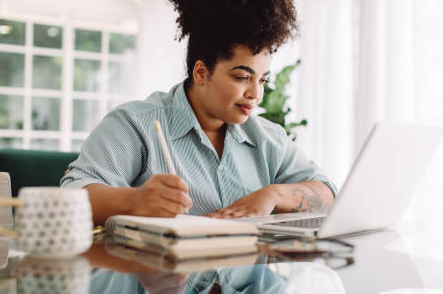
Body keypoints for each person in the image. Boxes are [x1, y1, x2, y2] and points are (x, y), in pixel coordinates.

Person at [61, 0, 337, 225]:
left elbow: (328, 194)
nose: (256, 93)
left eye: (262, 79)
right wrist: (135, 200)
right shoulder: (135, 124)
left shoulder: (268, 138)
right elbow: (70, 198)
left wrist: (273, 194)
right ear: (201, 72)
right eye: (242, 77)